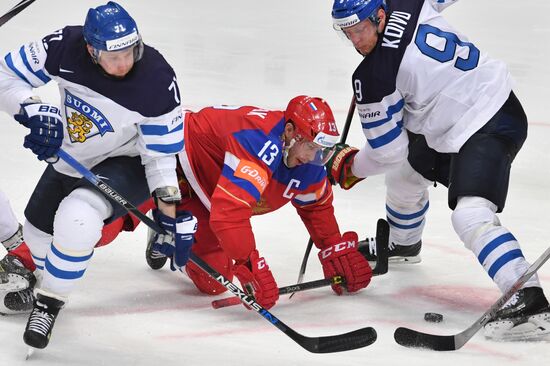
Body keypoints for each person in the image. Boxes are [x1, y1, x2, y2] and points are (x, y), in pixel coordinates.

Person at [1, 96, 374, 315]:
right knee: (97, 225)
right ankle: (27, 258)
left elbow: (316, 207)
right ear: (290, 132)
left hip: (210, 197)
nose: (317, 157)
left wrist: (332, 247)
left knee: (214, 282)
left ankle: (168, 237)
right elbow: (232, 214)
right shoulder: (259, 145)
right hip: (174, 165)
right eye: (312, 146)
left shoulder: (309, 163)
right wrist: (250, 264)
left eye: (323, 149)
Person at [327, 0, 549, 341]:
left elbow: (387, 151)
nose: (357, 41)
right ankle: (403, 244)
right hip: (466, 116)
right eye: (348, 33)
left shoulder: (374, 78)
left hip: (487, 122)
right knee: (404, 175)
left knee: (470, 216)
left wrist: (349, 166)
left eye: (361, 29)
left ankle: (529, 299)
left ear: (379, 16)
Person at [0, 2, 196, 350]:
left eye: (129, 52)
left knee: (78, 218)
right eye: (112, 56)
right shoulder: (64, 46)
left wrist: (168, 216)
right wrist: (32, 110)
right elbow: (4, 75)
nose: (124, 63)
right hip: (72, 158)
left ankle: (48, 305)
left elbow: (161, 159)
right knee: (37, 235)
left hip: (128, 161)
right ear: (91, 50)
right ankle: (50, 281)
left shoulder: (157, 79)